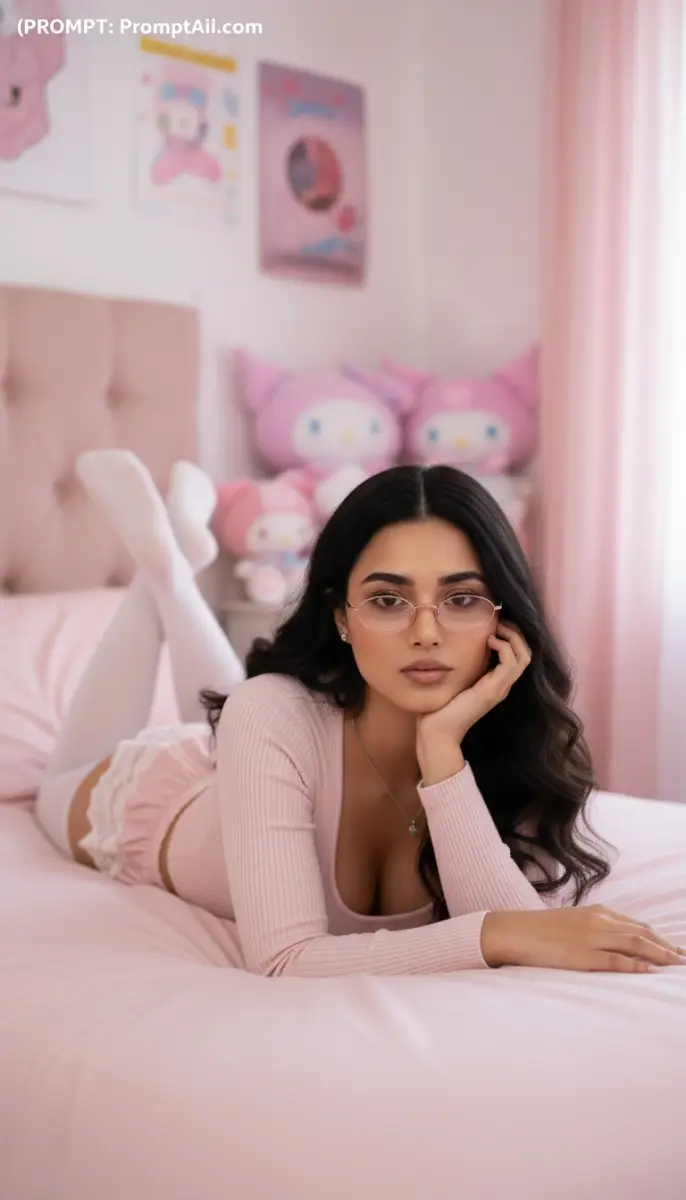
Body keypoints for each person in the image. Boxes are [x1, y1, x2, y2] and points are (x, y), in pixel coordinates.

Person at [35, 450, 684, 979]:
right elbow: (288, 961)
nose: (426, 633)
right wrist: (492, 936)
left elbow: (526, 947)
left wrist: (442, 754)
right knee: (81, 776)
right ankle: (164, 568)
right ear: (341, 616)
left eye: (460, 598)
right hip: (143, 801)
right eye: (388, 600)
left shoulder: (511, 739)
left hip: (251, 761)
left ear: (502, 616)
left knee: (242, 712)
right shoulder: (271, 712)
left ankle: (174, 554)